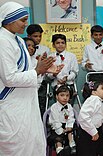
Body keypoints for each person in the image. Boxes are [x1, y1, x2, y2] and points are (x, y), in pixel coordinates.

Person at [0, 2, 62, 155]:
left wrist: (44, 70)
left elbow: (28, 71)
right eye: (23, 20)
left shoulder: (19, 41)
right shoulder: (2, 41)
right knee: (17, 146)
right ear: (9, 20)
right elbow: (9, 78)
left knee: (32, 142)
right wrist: (37, 71)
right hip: (13, 104)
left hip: (27, 101)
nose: (25, 24)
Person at [47, 34, 79, 106]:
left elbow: (75, 71)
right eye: (57, 43)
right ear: (53, 45)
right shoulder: (50, 57)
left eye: (62, 43)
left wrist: (67, 78)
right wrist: (54, 74)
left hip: (69, 85)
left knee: (68, 106)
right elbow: (48, 75)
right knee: (58, 106)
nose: (60, 45)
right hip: (56, 86)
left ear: (65, 44)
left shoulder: (72, 56)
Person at [26, 24, 51, 117]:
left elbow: (47, 68)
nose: (38, 39)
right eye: (35, 36)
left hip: (41, 83)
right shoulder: (23, 49)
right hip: (27, 82)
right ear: (29, 36)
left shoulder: (45, 49)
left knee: (41, 106)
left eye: (40, 36)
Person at [77, 81, 103, 156]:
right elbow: (83, 117)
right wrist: (93, 131)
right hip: (88, 131)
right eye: (102, 88)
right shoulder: (93, 99)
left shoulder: (97, 100)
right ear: (94, 92)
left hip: (95, 130)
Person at [49, 85, 76, 155]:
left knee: (71, 131)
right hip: (56, 127)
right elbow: (55, 121)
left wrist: (68, 127)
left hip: (67, 126)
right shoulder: (54, 107)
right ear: (57, 96)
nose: (65, 98)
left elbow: (71, 118)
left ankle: (72, 145)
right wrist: (61, 130)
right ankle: (60, 151)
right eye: (62, 95)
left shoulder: (69, 106)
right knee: (58, 139)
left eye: (67, 96)